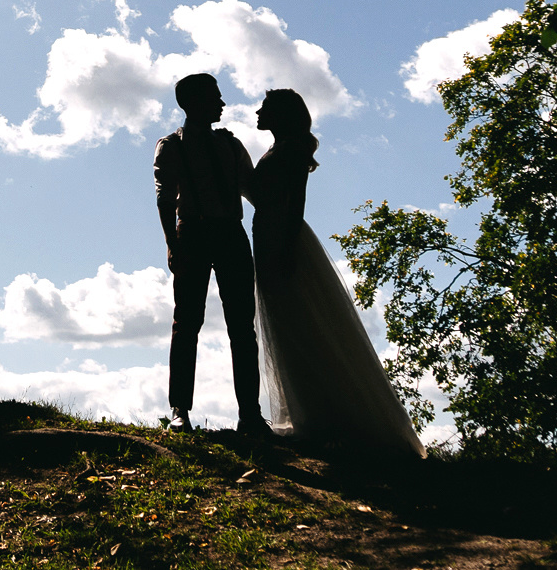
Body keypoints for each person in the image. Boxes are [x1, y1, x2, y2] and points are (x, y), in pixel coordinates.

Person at [250, 88, 425, 456]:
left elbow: (295, 200)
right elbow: (262, 195)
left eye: (265, 108)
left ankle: (325, 419)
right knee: (287, 327)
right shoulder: (281, 149)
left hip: (281, 236)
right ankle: (309, 415)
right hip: (268, 235)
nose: (257, 112)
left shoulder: (291, 151)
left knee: (303, 326)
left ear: (281, 114)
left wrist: (285, 246)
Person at [154, 72, 271, 436]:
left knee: (243, 327)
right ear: (193, 102)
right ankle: (179, 410)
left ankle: (250, 414)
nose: (222, 103)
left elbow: (253, 190)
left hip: (231, 234)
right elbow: (163, 197)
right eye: (214, 97)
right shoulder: (171, 145)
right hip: (192, 232)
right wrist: (172, 244)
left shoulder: (231, 145)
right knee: (186, 323)